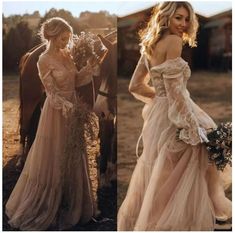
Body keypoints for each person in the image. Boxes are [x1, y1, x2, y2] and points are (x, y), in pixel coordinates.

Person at [117, 2, 231, 231]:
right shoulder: (174, 42)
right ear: (166, 17)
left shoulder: (149, 45)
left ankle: (157, 220)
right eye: (178, 18)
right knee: (192, 170)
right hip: (176, 116)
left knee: (163, 173)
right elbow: (176, 93)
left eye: (187, 19)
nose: (183, 24)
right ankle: (190, 221)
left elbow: (135, 86)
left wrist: (160, 98)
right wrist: (192, 127)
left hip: (158, 117)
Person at [5, 17, 100, 230]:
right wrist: (68, 108)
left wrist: (89, 68)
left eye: (68, 38)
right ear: (53, 36)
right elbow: (51, 93)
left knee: (74, 153)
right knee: (55, 155)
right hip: (57, 111)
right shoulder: (43, 60)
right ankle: (50, 203)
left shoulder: (67, 54)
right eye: (63, 38)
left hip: (72, 108)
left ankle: (73, 201)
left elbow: (76, 81)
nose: (67, 43)